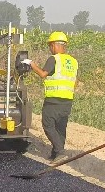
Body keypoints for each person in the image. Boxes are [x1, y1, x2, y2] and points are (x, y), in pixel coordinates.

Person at [20, 31, 78, 162]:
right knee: (60, 126)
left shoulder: (54, 59)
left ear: (54, 45)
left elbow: (42, 74)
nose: (50, 49)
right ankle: (56, 153)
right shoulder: (73, 61)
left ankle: (60, 151)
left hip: (54, 99)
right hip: (67, 99)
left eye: (50, 46)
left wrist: (31, 64)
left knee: (48, 125)